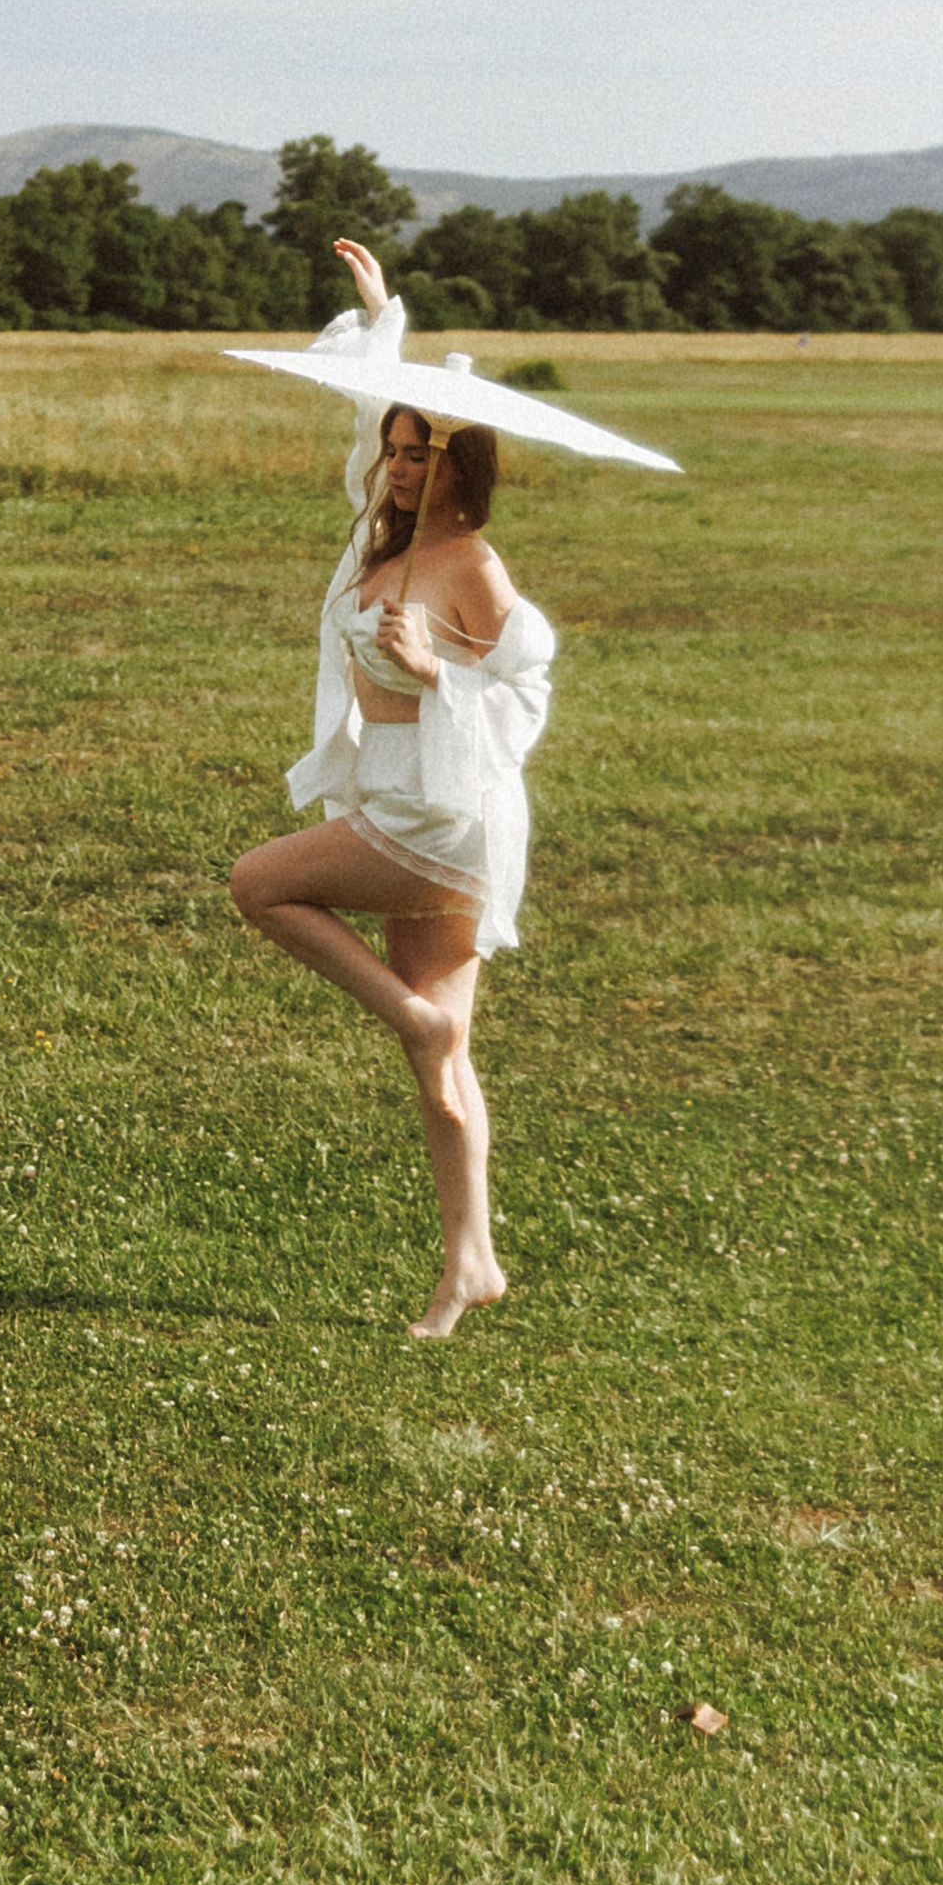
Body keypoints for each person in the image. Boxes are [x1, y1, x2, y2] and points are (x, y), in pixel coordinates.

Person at [228, 238, 557, 1338]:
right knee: (446, 1066)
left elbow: (528, 682)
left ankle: (407, 1013)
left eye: (425, 454)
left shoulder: (472, 565)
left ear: (469, 467)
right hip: (410, 803)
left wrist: (437, 674)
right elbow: (360, 444)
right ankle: (472, 1263)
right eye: (397, 448)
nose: (403, 467)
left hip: (438, 811)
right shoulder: (382, 543)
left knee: (261, 884)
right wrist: (381, 327)